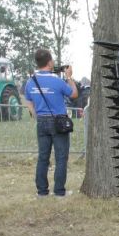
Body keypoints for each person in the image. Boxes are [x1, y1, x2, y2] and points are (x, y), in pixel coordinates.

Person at [23, 49, 78, 198]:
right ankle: (59, 191)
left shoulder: (31, 81)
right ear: (49, 62)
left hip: (41, 121)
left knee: (43, 157)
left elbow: (28, 100)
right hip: (58, 121)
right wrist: (69, 77)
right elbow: (73, 94)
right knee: (61, 157)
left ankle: (42, 191)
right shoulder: (57, 81)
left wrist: (35, 114)